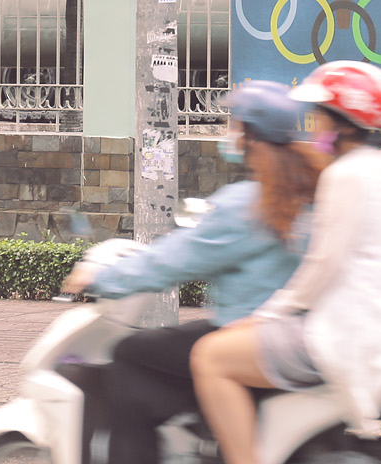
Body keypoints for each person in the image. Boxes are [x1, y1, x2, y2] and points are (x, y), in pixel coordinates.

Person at [190, 62, 381, 464]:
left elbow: (322, 266)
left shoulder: (345, 174)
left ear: (341, 122)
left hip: (350, 333)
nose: (313, 125)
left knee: (210, 356)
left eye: (319, 115)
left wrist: (268, 314)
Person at [58, 81, 316, 464]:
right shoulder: (306, 194)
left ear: (251, 135)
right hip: (289, 332)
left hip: (246, 332)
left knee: (129, 353)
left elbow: (172, 261)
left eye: (234, 124)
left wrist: (101, 279)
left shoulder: (247, 204)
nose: (229, 132)